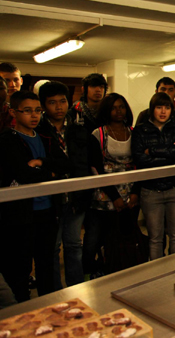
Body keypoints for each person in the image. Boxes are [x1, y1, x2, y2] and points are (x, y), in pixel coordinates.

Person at [36, 81, 104, 289]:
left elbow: (89, 163)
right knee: (53, 248)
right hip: (51, 200)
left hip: (77, 197)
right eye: (52, 103)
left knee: (74, 245)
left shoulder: (79, 130)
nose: (58, 107)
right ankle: (54, 292)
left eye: (63, 101)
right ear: (44, 105)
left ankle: (76, 290)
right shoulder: (39, 131)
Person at [0, 91, 64, 302]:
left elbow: (64, 164)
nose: (34, 116)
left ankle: (48, 305)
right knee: (20, 265)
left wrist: (42, 164)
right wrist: (50, 172)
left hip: (47, 210)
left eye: (38, 111)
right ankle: (21, 309)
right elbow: (24, 175)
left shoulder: (45, 136)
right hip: (20, 214)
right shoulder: (8, 139)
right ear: (13, 112)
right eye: (27, 111)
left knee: (46, 262)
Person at [84, 93, 139, 278]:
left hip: (129, 194)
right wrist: (114, 196)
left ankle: (121, 269)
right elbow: (96, 167)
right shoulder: (98, 134)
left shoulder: (133, 132)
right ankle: (92, 272)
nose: (119, 111)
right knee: (96, 238)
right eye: (114, 107)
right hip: (104, 195)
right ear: (107, 109)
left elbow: (139, 165)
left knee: (123, 237)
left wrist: (134, 193)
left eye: (122, 107)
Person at [132, 92, 175, 260]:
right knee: (155, 238)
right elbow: (140, 159)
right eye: (159, 107)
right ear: (152, 109)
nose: (163, 112)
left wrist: (153, 151)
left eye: (167, 107)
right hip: (151, 190)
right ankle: (158, 277)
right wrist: (169, 153)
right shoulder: (140, 130)